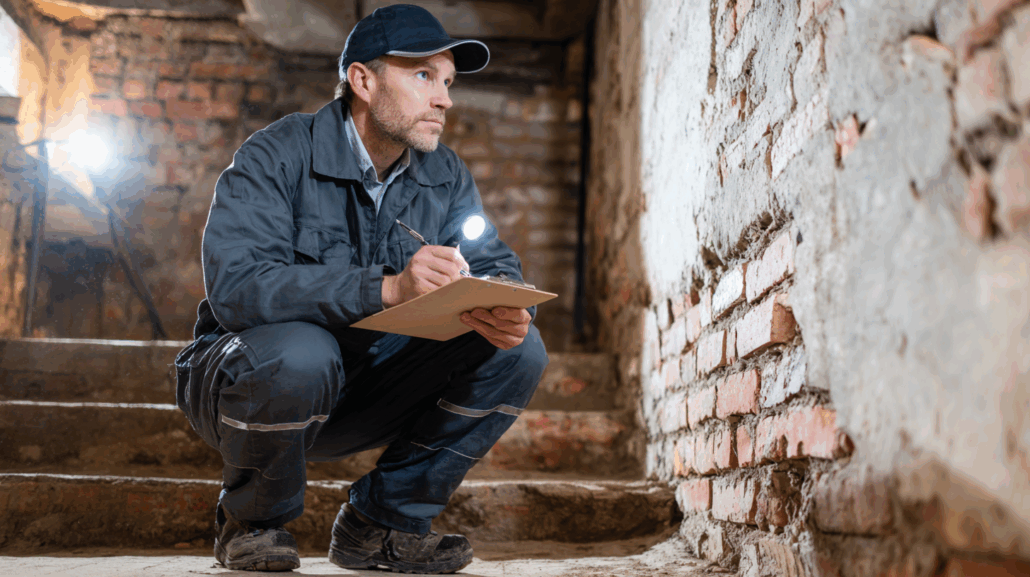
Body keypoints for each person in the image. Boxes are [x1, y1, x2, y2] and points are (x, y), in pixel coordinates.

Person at [173, 4, 549, 573]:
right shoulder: (277, 155)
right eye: (424, 76)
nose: (444, 99)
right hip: (251, 383)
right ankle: (251, 523)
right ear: (363, 81)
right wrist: (389, 289)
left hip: (363, 386)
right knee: (303, 351)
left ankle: (382, 525)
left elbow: (492, 261)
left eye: (447, 82)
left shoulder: (444, 174)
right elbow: (238, 286)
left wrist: (504, 304)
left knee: (517, 350)